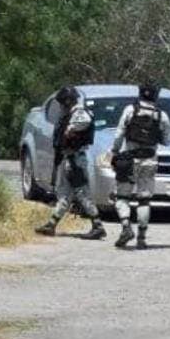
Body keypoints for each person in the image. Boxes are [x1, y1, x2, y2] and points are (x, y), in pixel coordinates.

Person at [109, 81, 170, 250]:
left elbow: (119, 134)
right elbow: (168, 141)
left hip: (129, 159)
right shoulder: (162, 115)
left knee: (122, 197)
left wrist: (115, 152)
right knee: (144, 200)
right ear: (155, 95)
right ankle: (142, 238)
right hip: (150, 161)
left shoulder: (130, 110)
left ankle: (126, 227)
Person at [35, 86, 106, 240]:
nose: (61, 107)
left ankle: (98, 226)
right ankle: (51, 225)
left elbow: (84, 121)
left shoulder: (79, 112)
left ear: (68, 101)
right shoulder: (68, 114)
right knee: (64, 195)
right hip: (69, 158)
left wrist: (70, 130)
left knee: (82, 194)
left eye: (62, 103)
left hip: (76, 160)